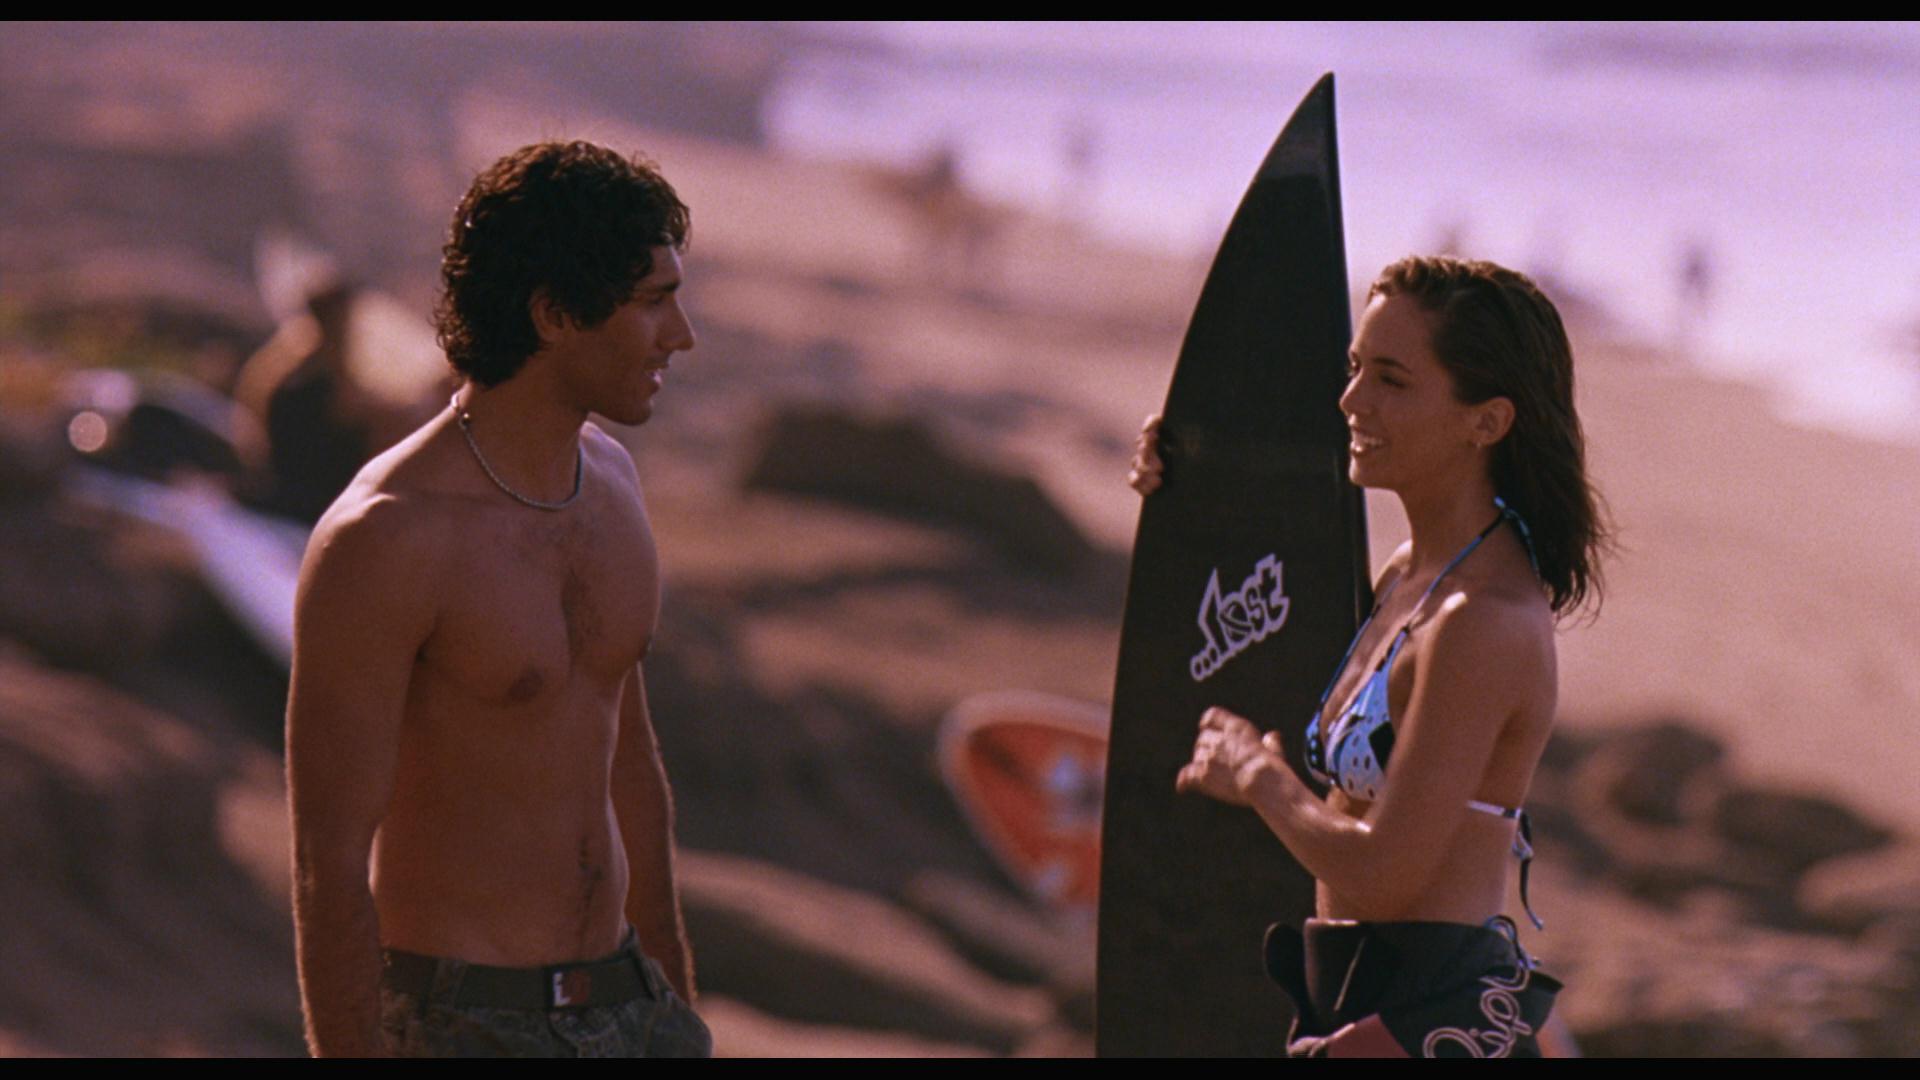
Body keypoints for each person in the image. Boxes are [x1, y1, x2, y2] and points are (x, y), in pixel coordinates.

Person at [285, 141, 710, 1057]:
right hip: (468, 1024)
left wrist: (674, 1002)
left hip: (630, 1003)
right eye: (653, 301)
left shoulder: (612, 483)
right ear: (555, 314)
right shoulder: (388, 537)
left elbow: (630, 768)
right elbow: (327, 861)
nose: (681, 335)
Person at [1132, 256, 1608, 1058]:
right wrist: (1188, 486)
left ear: (1487, 421)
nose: (1351, 399)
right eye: (1355, 368)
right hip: (1354, 1000)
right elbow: (1257, 622)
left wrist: (1260, 778)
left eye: (1391, 379)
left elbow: (1386, 874)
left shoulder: (1483, 623)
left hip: (1425, 1022)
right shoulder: (1409, 577)